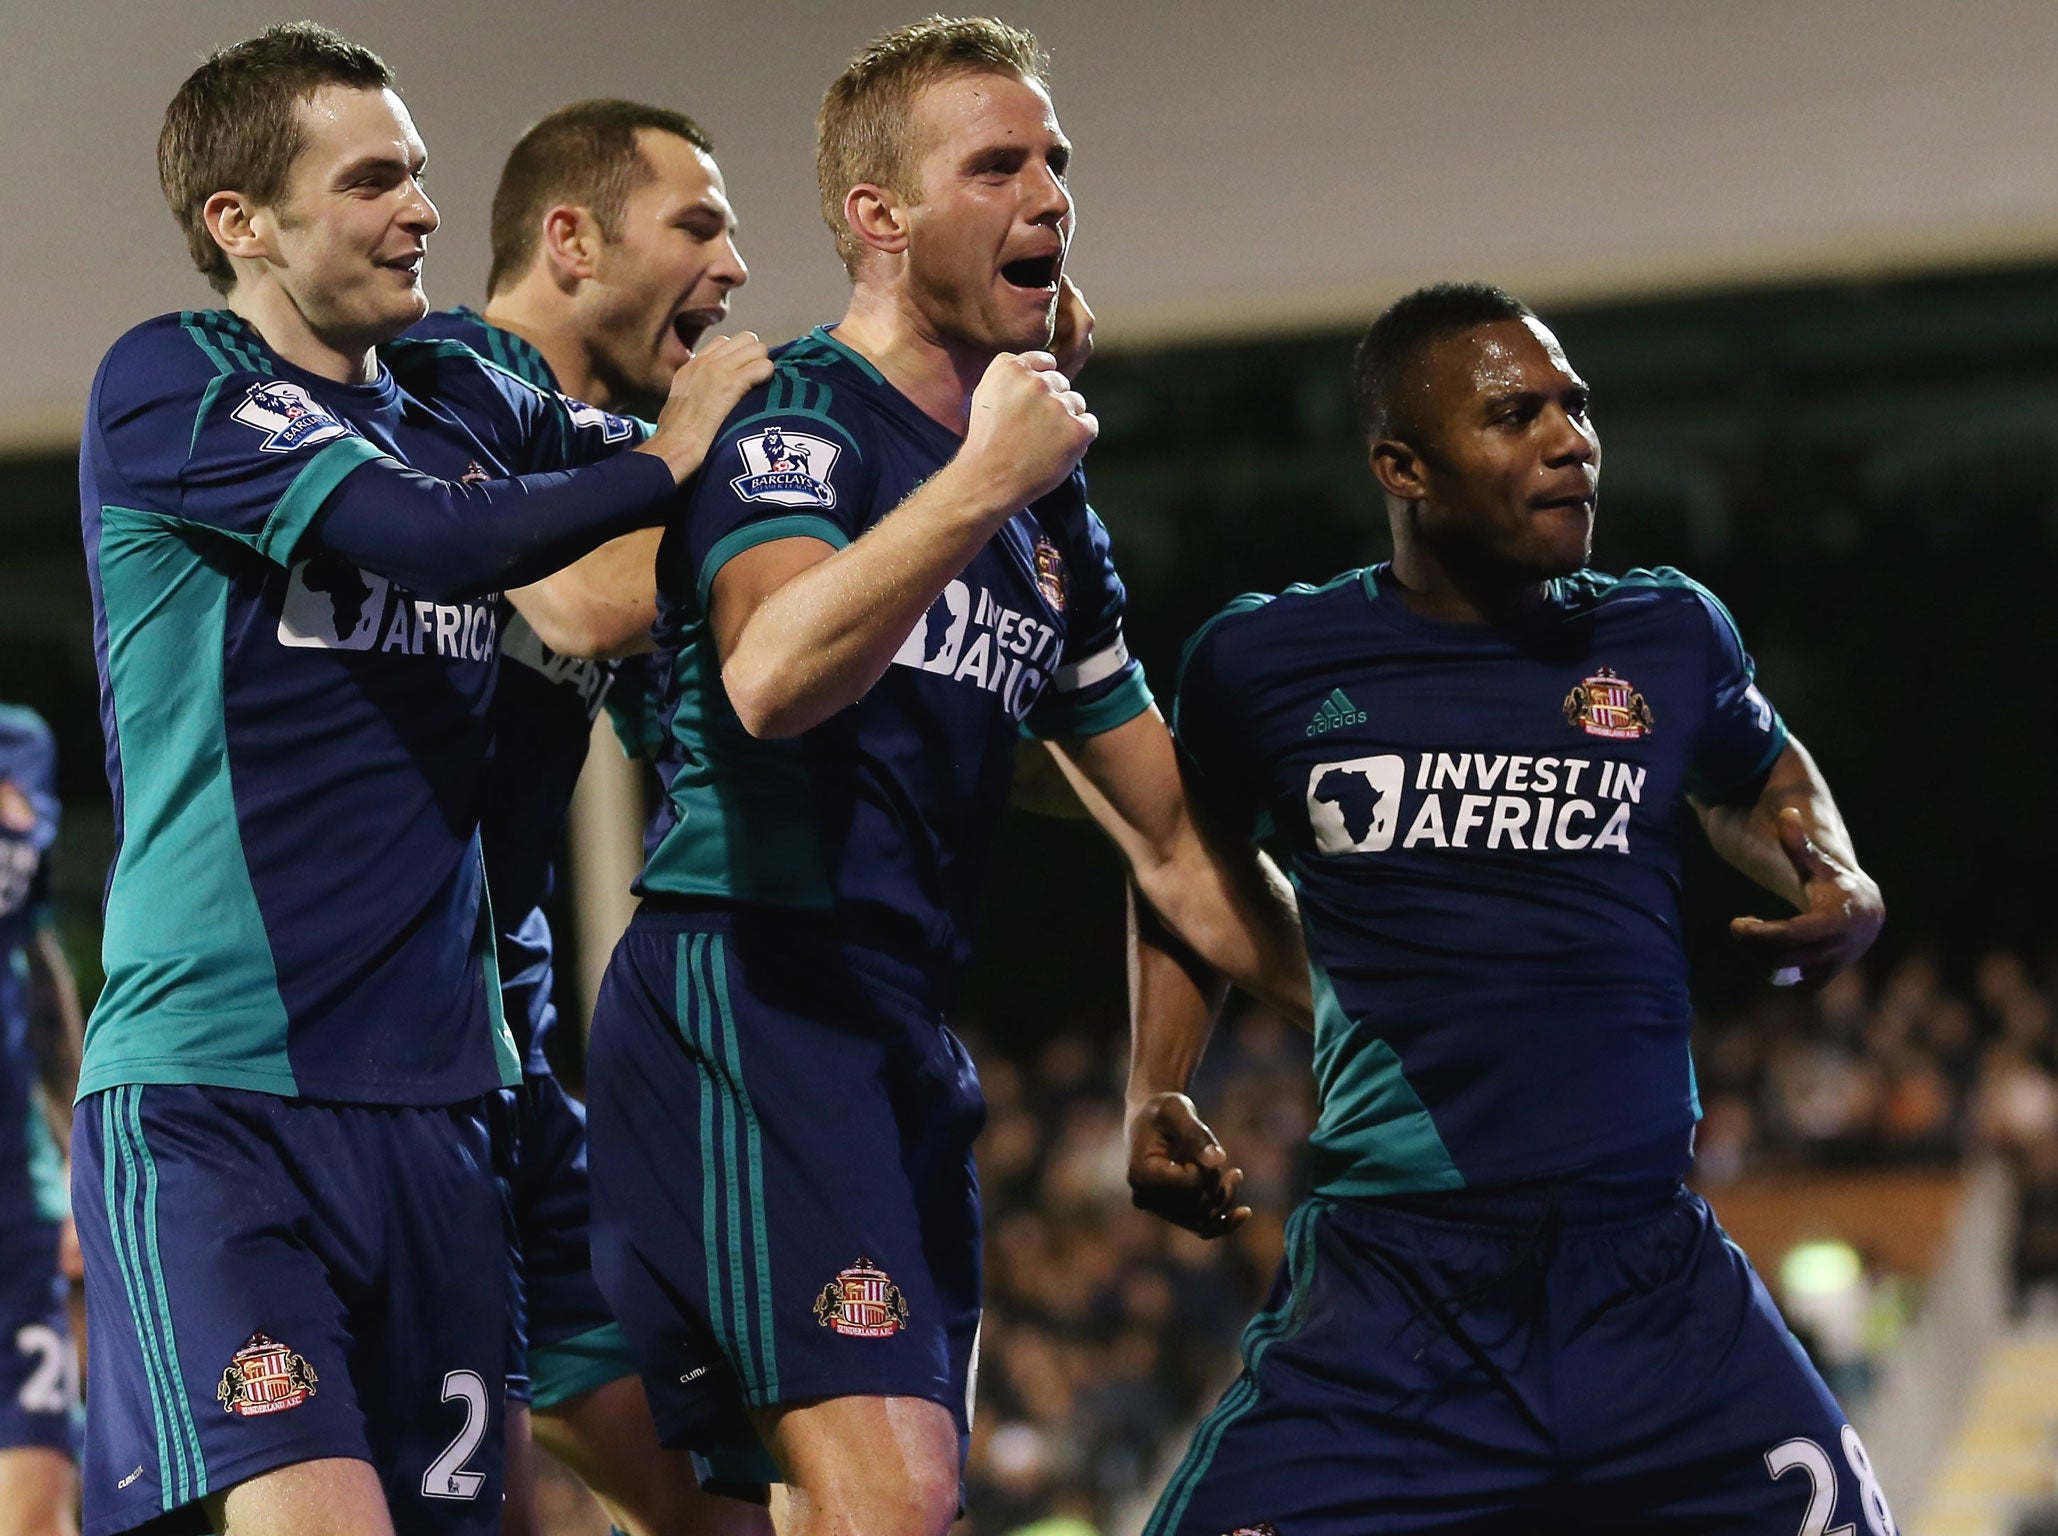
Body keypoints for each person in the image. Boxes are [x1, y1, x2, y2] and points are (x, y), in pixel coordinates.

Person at [582, 17, 1308, 1536]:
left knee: (875, 1512)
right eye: (995, 164)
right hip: (751, 989)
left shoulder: (1050, 519)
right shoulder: (794, 420)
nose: (1046, 194)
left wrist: (1395, 1011)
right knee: (892, 1508)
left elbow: (1168, 836)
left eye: (1054, 162)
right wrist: (985, 477)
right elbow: (772, 678)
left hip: (902, 1029)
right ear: (876, 217)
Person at [75, 24, 767, 1536]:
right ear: (239, 223)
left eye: (422, 175)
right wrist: (669, 457)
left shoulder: (456, 400)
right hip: (222, 1096)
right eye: (375, 179)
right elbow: (450, 542)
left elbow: (713, 465)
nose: (421, 212)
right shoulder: (171, 384)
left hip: (450, 1110)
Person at [1128, 282, 1897, 1534]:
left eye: (1575, 406)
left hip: (1651, 1282)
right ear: (1403, 464)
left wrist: (1836, 873)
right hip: (1397, 1299)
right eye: (1513, 414)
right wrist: (1155, 1082)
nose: (1569, 438)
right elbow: (1178, 863)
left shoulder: (1666, 632)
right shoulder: (1262, 663)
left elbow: (1761, 778)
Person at [409, 100, 767, 1536]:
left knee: (713, 1506)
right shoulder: (431, 377)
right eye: (698, 223)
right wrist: (715, 465)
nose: (734, 265)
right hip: (364, 1073)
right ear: (569, 241)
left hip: (510, 1058)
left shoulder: (627, 451)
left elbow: (708, 706)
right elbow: (577, 595)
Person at [0, 704, 85, 1536]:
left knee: (36, 1514)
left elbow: (39, 959)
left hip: (14, 1201)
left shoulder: (22, 741)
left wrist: (75, 1155)